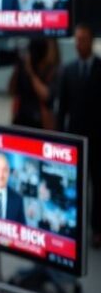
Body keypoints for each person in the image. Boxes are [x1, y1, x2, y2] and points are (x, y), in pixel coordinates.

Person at [56, 23, 101, 246]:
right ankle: (73, 227)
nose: (78, 43)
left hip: (97, 138)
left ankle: (96, 229)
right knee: (74, 185)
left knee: (98, 186)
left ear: (91, 41)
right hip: (74, 137)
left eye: (82, 39)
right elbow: (62, 107)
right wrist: (59, 138)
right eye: (76, 39)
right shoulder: (69, 70)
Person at [9, 38, 60, 129]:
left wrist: (31, 72)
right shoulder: (24, 66)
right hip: (21, 120)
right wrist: (17, 68)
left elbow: (46, 95)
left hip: (41, 122)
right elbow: (11, 91)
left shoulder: (53, 71)